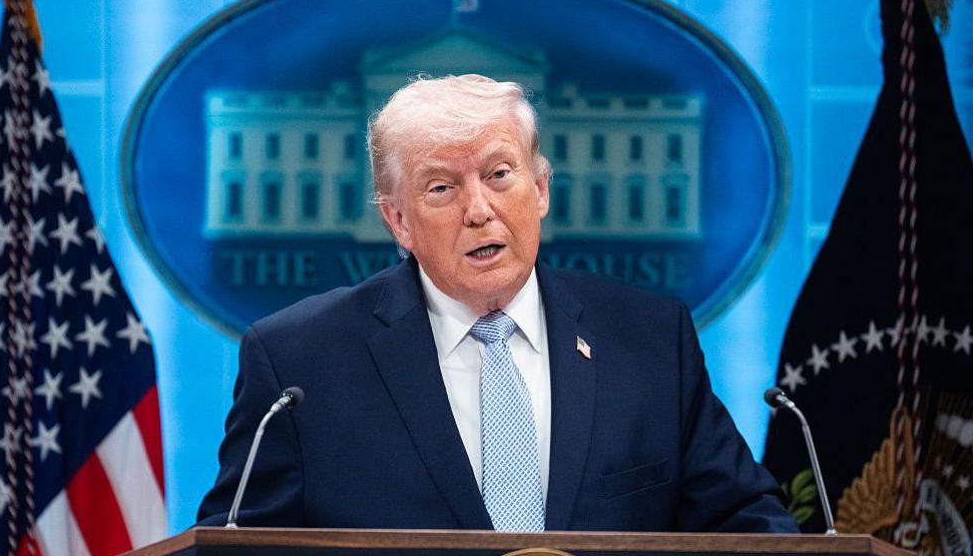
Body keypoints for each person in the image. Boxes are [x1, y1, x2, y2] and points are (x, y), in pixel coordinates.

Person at [197, 74, 798, 532]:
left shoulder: (649, 340)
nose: (479, 209)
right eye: (442, 187)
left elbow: (747, 523)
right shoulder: (298, 363)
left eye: (500, 175)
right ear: (398, 220)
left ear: (539, 190)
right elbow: (238, 544)